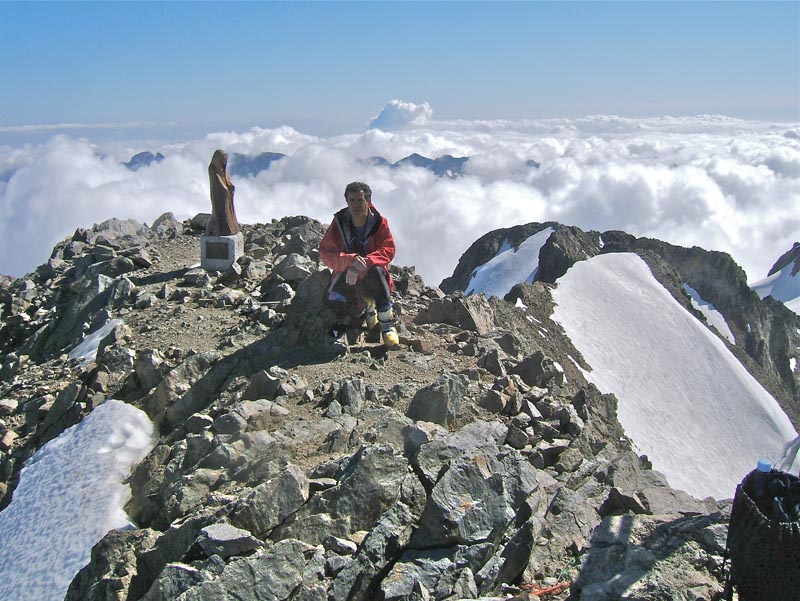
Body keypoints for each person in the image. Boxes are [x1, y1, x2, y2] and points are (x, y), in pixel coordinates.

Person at [319, 181, 399, 346]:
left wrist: (364, 263)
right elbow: (326, 253)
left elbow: (388, 249)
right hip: (347, 274)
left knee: (377, 271)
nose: (355, 205)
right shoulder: (339, 223)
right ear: (347, 202)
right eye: (352, 200)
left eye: (360, 200)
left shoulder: (379, 222)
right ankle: (348, 321)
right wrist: (350, 260)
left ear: (368, 201)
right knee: (335, 300)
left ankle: (386, 325)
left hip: (373, 276)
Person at [206, 149, 239, 236]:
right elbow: (217, 183)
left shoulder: (223, 170)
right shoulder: (213, 169)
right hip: (219, 196)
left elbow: (227, 181)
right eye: (223, 159)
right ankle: (221, 227)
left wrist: (230, 187)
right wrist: (225, 190)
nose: (224, 161)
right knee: (221, 213)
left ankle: (231, 225)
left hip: (227, 197)